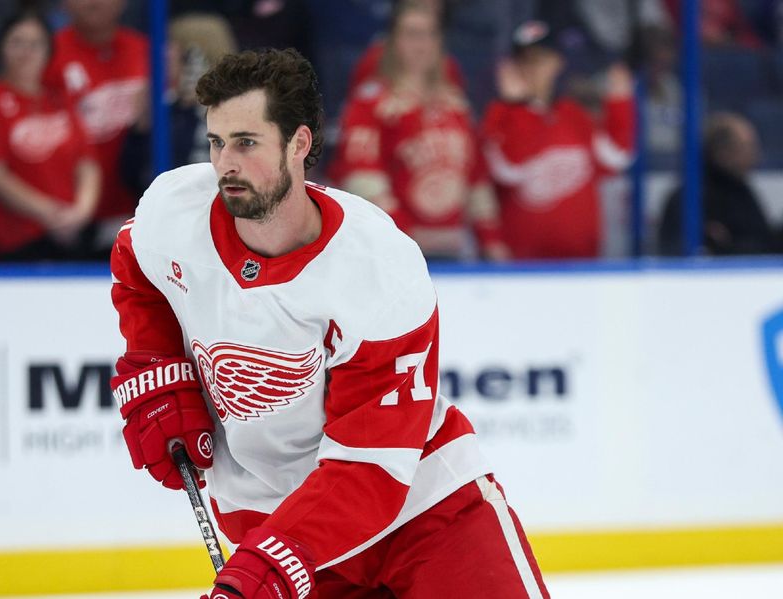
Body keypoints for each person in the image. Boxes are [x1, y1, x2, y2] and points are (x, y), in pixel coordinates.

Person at [109, 48, 550, 598]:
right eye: (217, 142)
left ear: (299, 143)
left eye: (246, 143)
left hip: (421, 509)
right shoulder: (174, 214)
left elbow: (371, 468)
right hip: (269, 518)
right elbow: (136, 272)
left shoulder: (376, 268)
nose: (225, 164)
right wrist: (155, 361)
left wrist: (273, 562)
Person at [329, 1, 507, 261]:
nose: (421, 44)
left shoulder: (455, 104)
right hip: (394, 251)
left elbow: (475, 175)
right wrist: (406, 238)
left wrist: (491, 241)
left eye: (430, 34)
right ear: (393, 41)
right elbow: (362, 180)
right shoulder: (370, 104)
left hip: (453, 248)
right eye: (412, 34)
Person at [479, 20, 635, 259]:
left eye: (540, 60)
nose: (531, 70)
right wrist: (521, 108)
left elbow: (615, 159)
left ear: (557, 63)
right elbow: (511, 171)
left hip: (582, 263)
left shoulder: (572, 113)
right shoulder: (500, 114)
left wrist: (619, 101)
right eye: (525, 61)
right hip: (521, 269)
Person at [0, 10, 100, 261]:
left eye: (35, 44)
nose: (26, 52)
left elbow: (87, 163)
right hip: (14, 241)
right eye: (17, 42)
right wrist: (51, 214)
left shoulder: (58, 99)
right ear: (0, 48)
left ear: (48, 51)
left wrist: (80, 212)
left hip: (69, 235)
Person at [43, 0, 149, 258]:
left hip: (135, 209)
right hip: (63, 217)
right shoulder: (46, 53)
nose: (93, 2)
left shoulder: (147, 51)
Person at [120, 12, 238, 195]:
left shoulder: (225, 116)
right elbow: (132, 176)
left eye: (171, 48)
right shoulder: (168, 109)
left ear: (194, 55)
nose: (163, 55)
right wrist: (140, 127)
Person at [658, 111, 781, 255]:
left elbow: (763, 241)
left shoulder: (741, 190)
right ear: (722, 152)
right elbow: (679, 251)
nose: (755, 153)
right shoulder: (690, 198)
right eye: (747, 146)